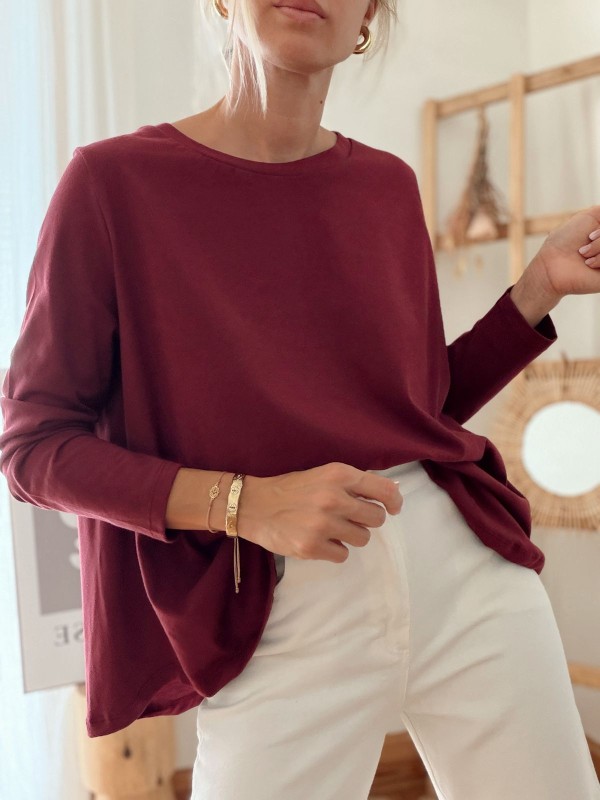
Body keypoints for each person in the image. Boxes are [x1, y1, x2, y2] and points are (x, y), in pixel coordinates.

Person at [1, 0, 600, 797]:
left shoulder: (386, 186)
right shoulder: (112, 185)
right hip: (271, 600)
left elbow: (416, 412)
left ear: (367, 15)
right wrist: (243, 504)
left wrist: (537, 288)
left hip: (465, 571)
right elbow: (33, 446)